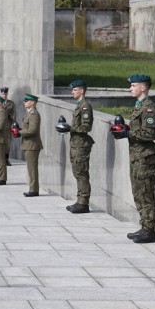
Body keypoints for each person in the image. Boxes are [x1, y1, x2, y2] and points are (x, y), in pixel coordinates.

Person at [112, 74, 155, 243]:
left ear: (143, 88)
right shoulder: (139, 106)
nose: (130, 89)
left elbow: (150, 133)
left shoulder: (149, 109)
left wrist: (128, 132)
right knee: (138, 192)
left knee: (146, 192)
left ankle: (150, 230)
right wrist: (125, 129)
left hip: (145, 157)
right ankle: (144, 226)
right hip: (137, 155)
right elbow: (139, 129)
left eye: (133, 85)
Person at [63, 80, 95, 214]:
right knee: (78, 172)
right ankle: (80, 200)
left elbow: (87, 126)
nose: (72, 92)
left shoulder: (85, 107)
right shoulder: (79, 106)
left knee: (81, 173)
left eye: (75, 90)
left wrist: (71, 128)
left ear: (81, 91)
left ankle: (83, 203)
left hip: (81, 145)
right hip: (76, 144)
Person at [17, 93, 42, 196]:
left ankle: (34, 190)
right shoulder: (28, 113)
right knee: (30, 168)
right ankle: (33, 188)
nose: (24, 102)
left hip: (32, 145)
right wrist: (18, 130)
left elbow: (32, 130)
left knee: (32, 168)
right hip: (28, 144)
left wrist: (19, 132)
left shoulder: (34, 114)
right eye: (24, 100)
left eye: (27, 101)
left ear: (33, 103)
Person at [1, 87, 16, 166]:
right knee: (0, 142)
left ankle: (6, 159)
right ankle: (1, 159)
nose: (4, 95)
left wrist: (13, 125)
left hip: (7, 126)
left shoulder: (11, 103)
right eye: (3, 94)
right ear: (1, 94)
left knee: (7, 143)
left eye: (6, 94)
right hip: (0, 126)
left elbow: (14, 115)